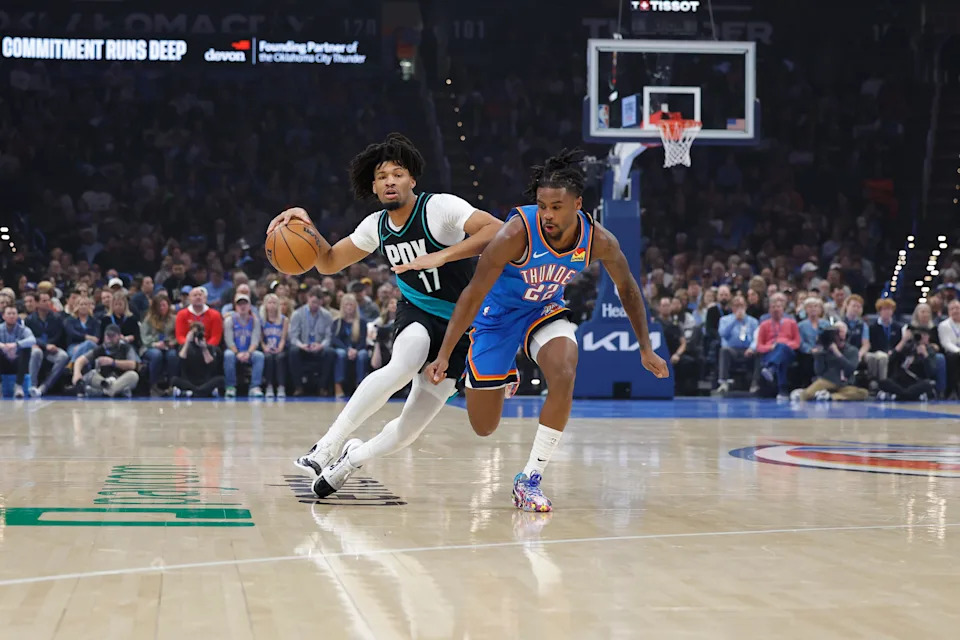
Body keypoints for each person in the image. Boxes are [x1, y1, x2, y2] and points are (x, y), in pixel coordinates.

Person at [422, 150, 668, 512]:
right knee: (484, 427)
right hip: (497, 316)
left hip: (544, 309)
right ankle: (505, 367)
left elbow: (628, 289)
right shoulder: (514, 234)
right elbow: (472, 294)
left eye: (556, 206)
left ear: (578, 204)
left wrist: (645, 348)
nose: (548, 214)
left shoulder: (600, 240)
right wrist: (445, 354)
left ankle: (530, 479)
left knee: (566, 370)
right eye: (542, 205)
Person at [268, 133, 501, 490]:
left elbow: (497, 230)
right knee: (404, 363)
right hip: (418, 311)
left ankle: (352, 458)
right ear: (373, 187)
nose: (390, 180)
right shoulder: (375, 226)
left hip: (461, 325)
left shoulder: (439, 208)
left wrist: (441, 255)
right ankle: (325, 447)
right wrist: (307, 226)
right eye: (381, 176)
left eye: (397, 173)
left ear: (412, 179)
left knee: (407, 432)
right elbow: (329, 262)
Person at [790, 323, 868, 402]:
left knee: (863, 393)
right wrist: (818, 357)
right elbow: (818, 371)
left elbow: (850, 368)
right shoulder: (825, 350)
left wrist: (837, 353)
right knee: (807, 394)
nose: (838, 335)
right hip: (827, 381)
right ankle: (805, 392)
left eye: (841, 331)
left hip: (845, 384)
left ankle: (830, 396)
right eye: (837, 332)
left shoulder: (852, 350)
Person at [70, 324, 140, 398]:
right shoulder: (100, 349)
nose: (109, 339)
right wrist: (76, 373)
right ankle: (115, 391)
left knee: (133, 375)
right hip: (104, 381)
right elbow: (80, 360)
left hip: (121, 378)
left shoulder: (126, 348)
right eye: (107, 336)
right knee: (90, 374)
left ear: (119, 336)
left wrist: (113, 362)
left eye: (113, 336)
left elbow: (133, 365)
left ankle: (102, 392)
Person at [755, 293, 801, 399]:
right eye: (773, 307)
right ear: (769, 310)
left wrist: (783, 345)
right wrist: (771, 347)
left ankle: (771, 368)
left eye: (778, 307)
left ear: (783, 308)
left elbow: (797, 342)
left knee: (782, 349)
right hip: (770, 353)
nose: (776, 309)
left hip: (788, 351)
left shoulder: (792, 323)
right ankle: (782, 391)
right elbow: (759, 346)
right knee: (781, 360)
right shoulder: (764, 325)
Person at [25, 291, 69, 397]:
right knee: (36, 352)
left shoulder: (57, 318)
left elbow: (58, 335)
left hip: (53, 348)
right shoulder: (29, 320)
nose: (48, 303)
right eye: (44, 301)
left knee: (63, 356)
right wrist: (44, 346)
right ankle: (33, 386)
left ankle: (43, 388)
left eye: (49, 300)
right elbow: (30, 336)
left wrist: (50, 346)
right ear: (36, 303)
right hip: (38, 347)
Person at [876, 326, 938, 402]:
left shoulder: (930, 350)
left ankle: (900, 395)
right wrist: (903, 341)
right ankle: (908, 395)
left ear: (928, 337)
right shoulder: (907, 347)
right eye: (920, 335)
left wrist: (925, 355)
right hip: (900, 381)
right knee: (883, 382)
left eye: (925, 335)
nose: (921, 337)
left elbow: (931, 372)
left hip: (916, 381)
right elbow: (890, 360)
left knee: (927, 384)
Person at [223, 292, 264, 398]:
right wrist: (237, 353)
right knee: (228, 355)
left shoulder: (255, 321)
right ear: (236, 306)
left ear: (249, 306)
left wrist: (248, 353)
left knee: (259, 356)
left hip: (249, 351)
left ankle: (254, 387)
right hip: (234, 351)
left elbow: (255, 340)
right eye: (239, 304)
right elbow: (229, 340)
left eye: (245, 304)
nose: (242, 306)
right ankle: (230, 387)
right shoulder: (229, 320)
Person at [329, 293, 370, 398]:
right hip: (343, 349)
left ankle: (359, 385)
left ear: (355, 306)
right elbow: (335, 340)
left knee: (363, 354)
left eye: (351, 305)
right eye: (346, 305)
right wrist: (347, 350)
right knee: (340, 353)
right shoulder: (337, 322)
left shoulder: (362, 322)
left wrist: (355, 350)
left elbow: (362, 341)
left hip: (358, 349)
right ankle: (338, 385)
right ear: (342, 306)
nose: (349, 307)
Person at [716, 295, 758, 395]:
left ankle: (755, 384)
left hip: (747, 350)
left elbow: (757, 338)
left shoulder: (753, 321)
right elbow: (722, 334)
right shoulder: (725, 320)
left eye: (741, 305)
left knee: (759, 353)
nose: (739, 308)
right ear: (732, 307)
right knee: (724, 351)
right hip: (732, 350)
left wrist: (751, 348)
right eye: (736, 306)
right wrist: (735, 320)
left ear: (746, 307)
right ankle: (724, 383)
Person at [170, 322, 225, 398]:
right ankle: (202, 392)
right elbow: (181, 361)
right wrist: (187, 342)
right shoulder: (183, 347)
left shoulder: (210, 348)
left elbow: (212, 366)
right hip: (188, 381)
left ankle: (191, 393)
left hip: (205, 381)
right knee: (174, 380)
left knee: (221, 380)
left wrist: (204, 348)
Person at [140, 293, 179, 396]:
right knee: (156, 355)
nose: (161, 308)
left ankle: (172, 385)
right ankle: (153, 386)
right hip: (150, 346)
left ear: (168, 305)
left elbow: (177, 336)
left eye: (164, 305)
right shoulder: (148, 319)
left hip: (168, 346)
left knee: (172, 355)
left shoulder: (174, 319)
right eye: (159, 306)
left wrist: (172, 343)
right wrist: (154, 343)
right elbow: (144, 337)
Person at [0, 305, 36, 398]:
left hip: (18, 362)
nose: (11, 316)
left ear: (17, 316)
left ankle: (18, 386)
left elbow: (32, 340)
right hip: (3, 361)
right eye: (9, 314)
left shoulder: (23, 329)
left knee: (26, 349)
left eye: (14, 314)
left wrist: (16, 345)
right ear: (3, 316)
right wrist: (3, 346)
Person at [865, 298, 902, 382]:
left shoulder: (897, 327)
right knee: (882, 357)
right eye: (884, 309)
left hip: (894, 353)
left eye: (889, 309)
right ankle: (881, 382)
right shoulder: (872, 328)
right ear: (879, 311)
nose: (887, 312)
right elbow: (872, 344)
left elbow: (898, 342)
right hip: (878, 352)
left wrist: (892, 351)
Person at [260, 293, 289, 399]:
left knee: (280, 357)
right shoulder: (261, 320)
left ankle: (281, 386)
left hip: (279, 347)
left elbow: (283, 338)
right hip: (267, 347)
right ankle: (269, 386)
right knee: (268, 358)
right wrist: (265, 348)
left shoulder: (284, 320)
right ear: (265, 305)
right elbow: (261, 340)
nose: (272, 305)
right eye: (269, 303)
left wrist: (280, 348)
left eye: (274, 303)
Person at [938, 299, 960, 399]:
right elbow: (945, 343)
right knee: (954, 357)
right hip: (951, 353)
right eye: (952, 309)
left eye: (958, 308)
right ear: (948, 311)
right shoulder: (943, 325)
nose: (955, 311)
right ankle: (952, 389)